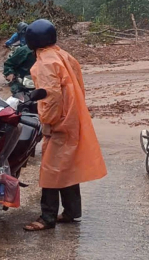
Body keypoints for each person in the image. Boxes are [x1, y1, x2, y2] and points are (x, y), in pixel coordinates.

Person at [23, 19, 107, 232]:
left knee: (51, 168)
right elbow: (79, 85)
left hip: (60, 120)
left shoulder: (45, 63)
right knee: (66, 166)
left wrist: (48, 121)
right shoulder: (64, 56)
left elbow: (50, 97)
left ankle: (47, 217)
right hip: (73, 116)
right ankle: (71, 211)